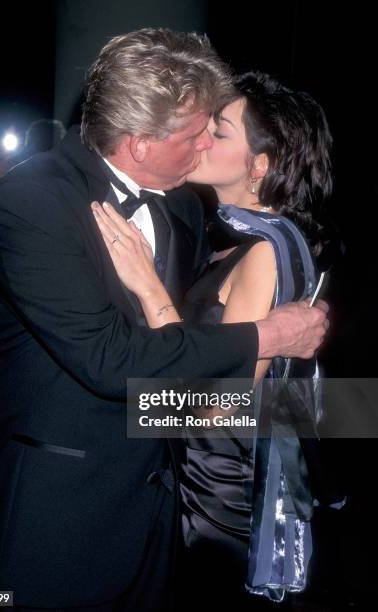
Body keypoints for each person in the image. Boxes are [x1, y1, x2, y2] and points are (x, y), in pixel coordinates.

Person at [0, 30, 327, 612]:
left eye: (218, 129)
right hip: (54, 519)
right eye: (197, 135)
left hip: (170, 511)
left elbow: (216, 391)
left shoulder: (186, 205)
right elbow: (113, 362)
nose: (205, 145)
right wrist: (268, 337)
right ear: (139, 144)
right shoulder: (31, 202)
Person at [91, 70, 340, 609]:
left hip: (218, 497)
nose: (201, 138)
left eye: (219, 131)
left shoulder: (266, 251)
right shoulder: (246, 241)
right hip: (207, 481)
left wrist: (148, 286)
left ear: (260, 166)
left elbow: (219, 405)